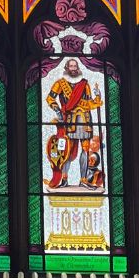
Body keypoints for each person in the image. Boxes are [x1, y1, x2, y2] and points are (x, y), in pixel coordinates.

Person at [45, 58, 104, 189]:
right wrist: (57, 110)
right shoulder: (60, 84)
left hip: (85, 120)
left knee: (85, 150)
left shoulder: (85, 84)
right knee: (67, 150)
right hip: (69, 121)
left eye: (75, 66)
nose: (73, 68)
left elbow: (89, 102)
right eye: (71, 66)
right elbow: (50, 98)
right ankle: (64, 179)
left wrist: (98, 97)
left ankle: (83, 180)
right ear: (67, 68)